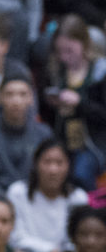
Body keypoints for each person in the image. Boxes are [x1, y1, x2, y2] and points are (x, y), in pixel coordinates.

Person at [39, 14, 106, 192]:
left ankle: (89, 215)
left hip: (93, 144)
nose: (64, 57)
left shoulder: (100, 72)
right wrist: (51, 104)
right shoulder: (56, 72)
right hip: (62, 139)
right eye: (60, 51)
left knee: (80, 173)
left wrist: (80, 103)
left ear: (84, 44)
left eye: (69, 50)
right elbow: (45, 115)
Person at [7, 138, 88, 252]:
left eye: (59, 163)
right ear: (36, 163)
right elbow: (16, 237)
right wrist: (50, 251)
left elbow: (76, 239)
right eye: (47, 162)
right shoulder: (17, 192)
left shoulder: (78, 198)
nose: (53, 170)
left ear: (68, 165)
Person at [0, 75, 53, 205]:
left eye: (22, 94)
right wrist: (6, 201)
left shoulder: (44, 134)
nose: (16, 101)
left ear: (31, 98)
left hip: (34, 200)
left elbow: (48, 174)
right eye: (9, 94)